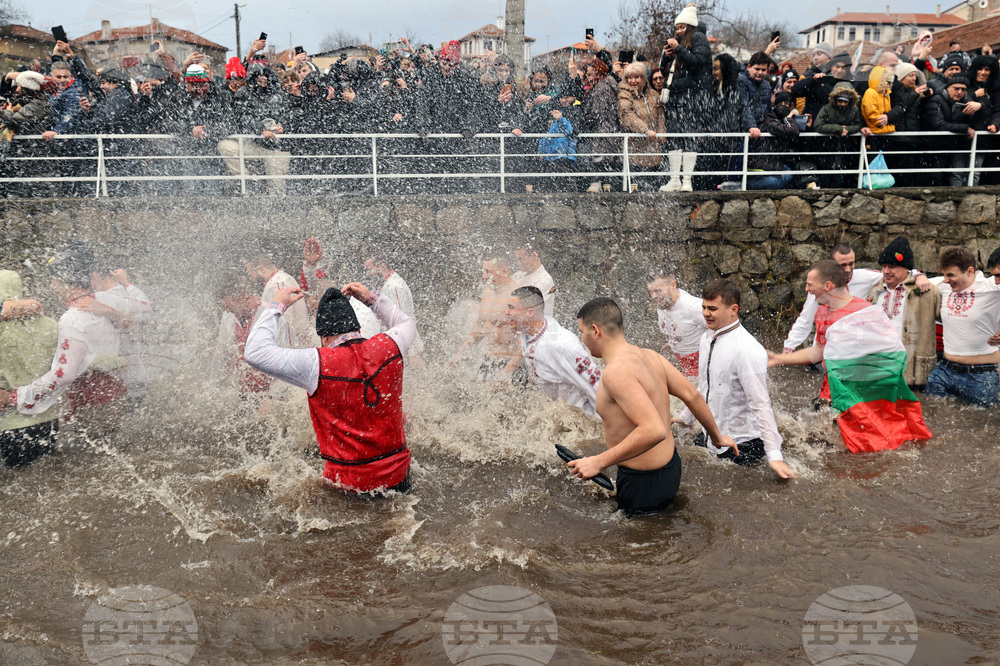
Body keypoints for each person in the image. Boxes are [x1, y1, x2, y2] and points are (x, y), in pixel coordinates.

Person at [567, 297, 737, 517]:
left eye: (582, 332)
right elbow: (692, 395)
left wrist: (597, 462)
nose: (582, 339)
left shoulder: (616, 371)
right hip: (671, 468)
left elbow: (654, 429)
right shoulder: (650, 356)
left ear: (595, 330)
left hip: (642, 480)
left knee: (632, 546)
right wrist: (717, 436)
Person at [245, 282, 416, 493]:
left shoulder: (315, 363)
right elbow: (406, 321)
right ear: (358, 328)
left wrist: (277, 305)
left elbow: (254, 352)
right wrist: (371, 298)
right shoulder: (390, 345)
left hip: (349, 485)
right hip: (399, 477)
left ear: (325, 337)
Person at [768, 261, 932, 452]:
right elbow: (819, 351)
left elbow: (888, 355)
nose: (806, 289)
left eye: (810, 285)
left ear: (827, 286)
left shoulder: (867, 313)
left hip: (862, 392)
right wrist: (780, 359)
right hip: (833, 390)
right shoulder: (821, 312)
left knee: (869, 446)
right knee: (828, 447)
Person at [673, 280, 795, 478]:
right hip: (712, 437)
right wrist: (686, 417)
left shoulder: (746, 349)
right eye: (703, 307)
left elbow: (761, 404)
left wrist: (775, 455)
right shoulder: (706, 338)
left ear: (733, 309)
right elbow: (705, 386)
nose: (705, 313)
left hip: (743, 444)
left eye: (712, 308)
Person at [3, 243, 125, 420]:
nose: (52, 286)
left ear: (65, 282)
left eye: (54, 280)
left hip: (91, 405)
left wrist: (18, 397)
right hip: (115, 397)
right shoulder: (104, 308)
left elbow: (64, 374)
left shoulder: (73, 320)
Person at [783, 243, 930, 355]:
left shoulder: (864, 276)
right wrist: (788, 350)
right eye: (843, 265)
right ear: (833, 265)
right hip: (825, 349)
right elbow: (805, 320)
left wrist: (918, 275)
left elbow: (898, 273)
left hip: (854, 350)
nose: (848, 269)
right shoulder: (819, 287)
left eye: (851, 264)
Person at [925, 247, 1000, 407]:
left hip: (981, 376)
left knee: (980, 429)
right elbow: (908, 278)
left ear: (970, 271)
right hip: (943, 371)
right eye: (944, 274)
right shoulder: (943, 287)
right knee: (933, 420)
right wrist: (918, 277)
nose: (945, 279)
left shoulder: (992, 287)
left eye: (950, 275)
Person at [506, 286, 600, 414]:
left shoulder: (560, 345)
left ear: (530, 312)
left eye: (511, 308)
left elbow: (596, 384)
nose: (506, 312)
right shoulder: (526, 335)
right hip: (560, 413)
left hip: (584, 416)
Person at [0, 270, 60, 467]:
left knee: (17, 486)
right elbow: (70, 364)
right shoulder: (51, 325)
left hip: (10, 423)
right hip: (48, 419)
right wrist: (117, 360)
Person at [866, 237, 941, 388]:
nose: (886, 271)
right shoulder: (875, 292)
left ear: (907, 268)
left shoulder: (927, 291)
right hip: (881, 367)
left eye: (892, 266)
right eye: (884, 266)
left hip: (915, 370)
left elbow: (950, 319)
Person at [656, 4, 712, 192]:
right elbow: (664, 70)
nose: (679, 30)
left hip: (692, 98)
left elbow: (698, 62)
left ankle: (686, 180)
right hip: (676, 98)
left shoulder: (699, 38)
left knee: (689, 138)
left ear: (690, 26)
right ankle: (674, 179)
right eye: (677, 27)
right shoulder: (680, 45)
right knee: (674, 139)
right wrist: (667, 56)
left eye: (682, 27)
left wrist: (679, 49)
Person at [363, 251, 425, 358]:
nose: (367, 274)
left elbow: (403, 320)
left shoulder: (394, 286)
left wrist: (413, 354)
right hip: (396, 345)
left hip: (407, 348)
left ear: (382, 266)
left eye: (369, 270)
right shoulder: (386, 284)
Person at [646, 269, 705, 378]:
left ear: (673, 285)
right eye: (651, 292)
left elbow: (724, 328)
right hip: (685, 366)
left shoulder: (694, 307)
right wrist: (674, 343)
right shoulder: (662, 305)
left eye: (658, 291)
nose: (654, 296)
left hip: (704, 367)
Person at [246, 252, 313, 348]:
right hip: (296, 345)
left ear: (261, 269)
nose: (251, 278)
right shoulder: (277, 280)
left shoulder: (277, 284)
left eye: (251, 272)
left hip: (295, 346)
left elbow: (285, 324)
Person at [617, 62, 665, 189]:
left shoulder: (653, 95)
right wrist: (645, 129)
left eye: (637, 77)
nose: (633, 81)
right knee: (637, 190)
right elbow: (627, 116)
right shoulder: (624, 95)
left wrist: (661, 133)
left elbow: (660, 116)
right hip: (635, 153)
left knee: (655, 190)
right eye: (629, 77)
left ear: (644, 78)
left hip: (653, 152)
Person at [512, 245, 555, 317]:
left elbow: (527, 306)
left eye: (521, 259)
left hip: (539, 324)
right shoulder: (518, 275)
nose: (518, 263)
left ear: (534, 255)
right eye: (517, 259)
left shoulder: (544, 279)